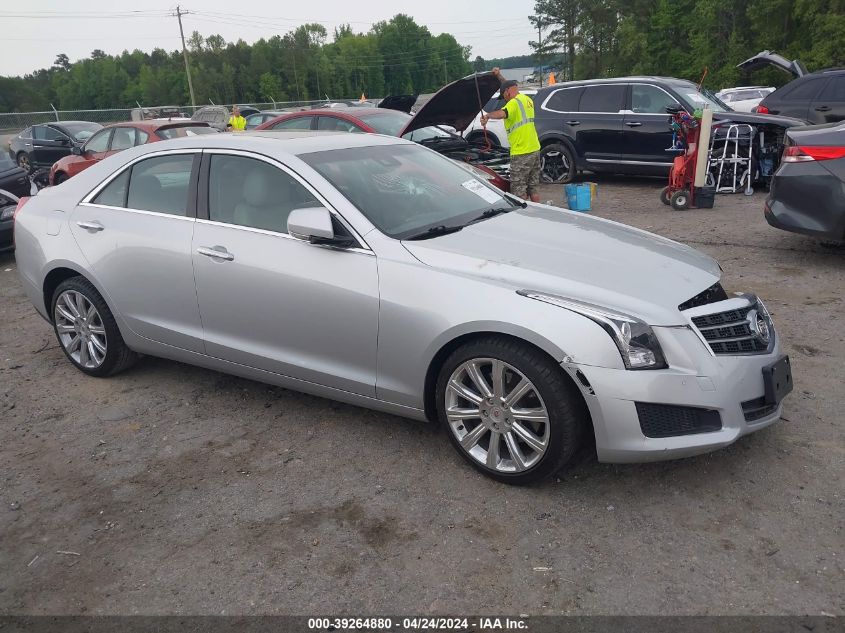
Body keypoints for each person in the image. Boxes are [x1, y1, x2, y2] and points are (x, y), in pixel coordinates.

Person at [480, 68, 542, 202]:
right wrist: (499, 76)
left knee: (519, 191)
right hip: (534, 149)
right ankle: (538, 215)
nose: (505, 99)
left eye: (504, 96)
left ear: (508, 92)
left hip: (521, 153)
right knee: (533, 188)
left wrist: (488, 115)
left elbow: (502, 113)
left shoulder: (513, 103)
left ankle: (523, 219)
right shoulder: (526, 99)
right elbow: (508, 85)